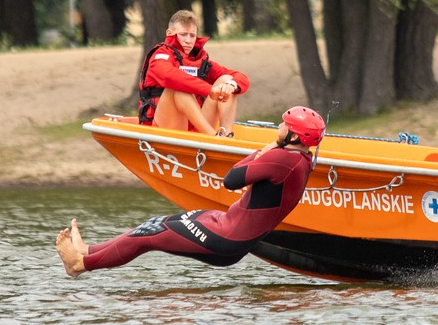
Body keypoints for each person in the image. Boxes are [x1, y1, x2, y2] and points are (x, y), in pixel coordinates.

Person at [56, 106, 325, 277]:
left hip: (226, 237)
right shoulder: (301, 161)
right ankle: (89, 250)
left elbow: (231, 179)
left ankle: (80, 265)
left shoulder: (281, 160)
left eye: (284, 126)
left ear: (294, 136)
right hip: (227, 228)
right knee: (155, 225)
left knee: (149, 236)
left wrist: (261, 152)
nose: (279, 127)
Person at [138, 9, 250, 136]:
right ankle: (214, 138)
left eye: (192, 35)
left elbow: (241, 77)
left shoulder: (200, 62)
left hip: (196, 126)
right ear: (169, 33)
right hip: (162, 127)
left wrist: (230, 86)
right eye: (183, 34)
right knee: (178, 87)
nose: (188, 40)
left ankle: (226, 135)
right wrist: (209, 90)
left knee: (226, 79)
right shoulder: (160, 56)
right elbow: (168, 76)